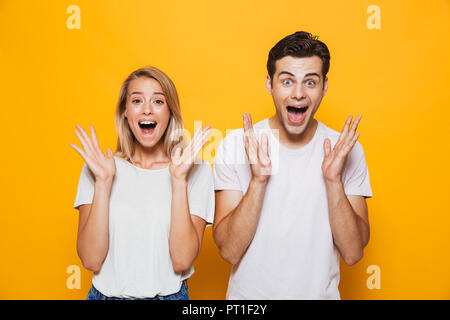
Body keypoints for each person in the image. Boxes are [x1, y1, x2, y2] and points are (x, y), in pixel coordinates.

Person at [212, 31, 372, 299]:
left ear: (324, 86)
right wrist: (258, 181)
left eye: (310, 82)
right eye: (287, 81)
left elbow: (354, 252)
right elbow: (229, 251)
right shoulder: (235, 145)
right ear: (269, 84)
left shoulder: (347, 148)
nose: (298, 94)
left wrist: (333, 181)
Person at [70, 66, 214, 300]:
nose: (147, 110)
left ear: (170, 112)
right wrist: (103, 183)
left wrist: (178, 181)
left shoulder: (196, 171)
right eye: (137, 100)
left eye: (158, 102)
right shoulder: (99, 168)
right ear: (125, 111)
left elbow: (182, 260)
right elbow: (90, 259)